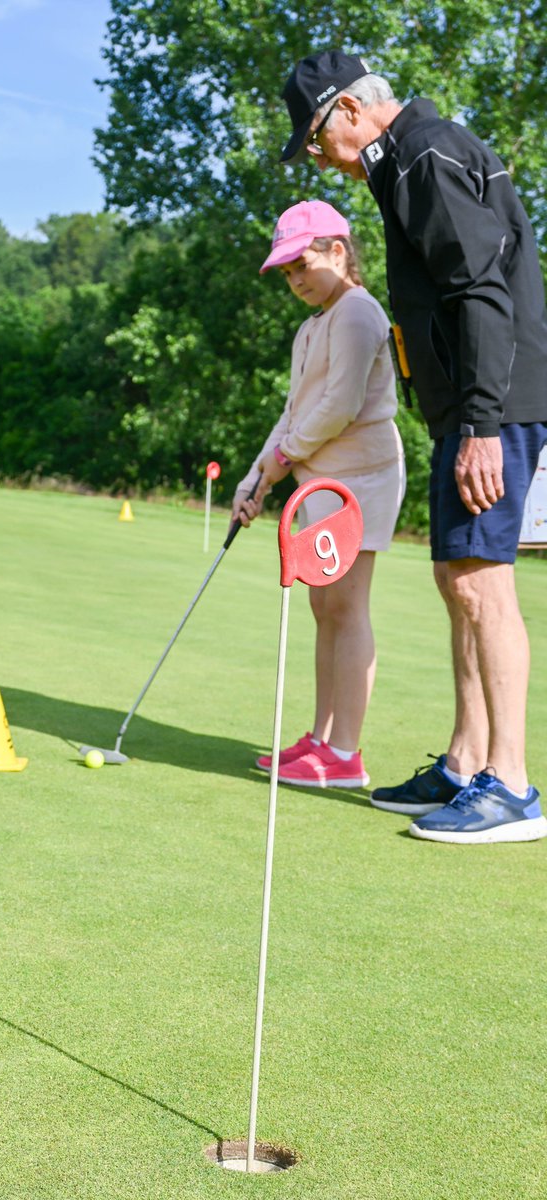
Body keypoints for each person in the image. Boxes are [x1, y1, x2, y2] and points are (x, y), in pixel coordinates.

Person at [278, 49, 547, 844]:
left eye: (318, 140)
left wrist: (481, 424)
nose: (321, 157)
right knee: (454, 578)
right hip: (468, 407)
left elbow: (480, 293)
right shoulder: (409, 163)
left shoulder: (426, 156)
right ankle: (466, 763)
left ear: (349, 113)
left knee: (480, 585)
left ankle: (513, 784)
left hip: (492, 405)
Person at [232, 199, 405, 790]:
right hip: (319, 481)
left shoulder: (357, 312)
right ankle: (320, 737)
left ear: (338, 251)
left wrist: (279, 464)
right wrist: (256, 477)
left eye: (302, 264)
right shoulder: (313, 326)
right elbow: (295, 411)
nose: (296, 280)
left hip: (362, 478)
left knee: (347, 606)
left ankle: (345, 754)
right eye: (287, 273)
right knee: (322, 607)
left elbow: (340, 407)